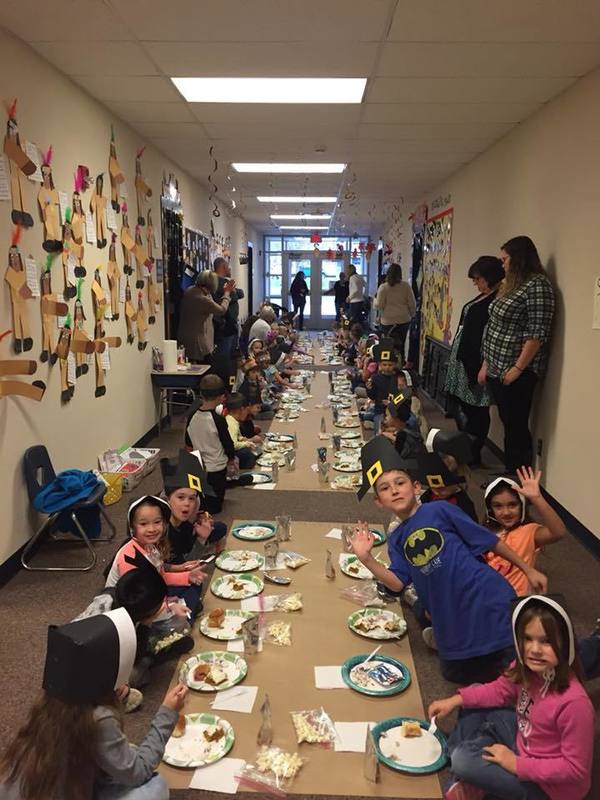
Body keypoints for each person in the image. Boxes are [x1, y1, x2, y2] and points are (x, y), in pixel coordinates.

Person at [351, 436, 548, 684]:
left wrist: (527, 569)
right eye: (385, 488)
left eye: (400, 482)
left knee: (515, 668)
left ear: (416, 487)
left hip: (485, 597)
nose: (394, 489)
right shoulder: (396, 538)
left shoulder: (439, 509)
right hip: (449, 614)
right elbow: (398, 583)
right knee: (456, 674)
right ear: (379, 502)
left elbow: (488, 541)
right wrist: (366, 558)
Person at [0, 607, 188, 800]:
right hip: (69, 790)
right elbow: (138, 772)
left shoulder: (55, 697)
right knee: (155, 787)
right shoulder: (99, 717)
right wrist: (167, 712)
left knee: (129, 753)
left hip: (41, 784)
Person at [431, 595, 594, 800]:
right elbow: (499, 691)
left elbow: (574, 769)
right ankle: (471, 768)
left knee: (463, 760)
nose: (534, 649)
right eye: (527, 638)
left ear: (565, 644)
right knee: (473, 691)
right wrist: (454, 701)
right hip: (526, 741)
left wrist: (516, 764)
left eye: (546, 641)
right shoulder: (526, 669)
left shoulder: (575, 704)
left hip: (548, 788)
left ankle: (465, 771)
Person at [479, 237, 555, 473]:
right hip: (497, 366)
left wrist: (518, 368)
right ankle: (509, 476)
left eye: (505, 259)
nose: (502, 265)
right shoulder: (511, 284)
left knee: (517, 426)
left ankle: (519, 482)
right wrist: (486, 364)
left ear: (519, 259)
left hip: (517, 371)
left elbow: (537, 334)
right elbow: (494, 325)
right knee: (508, 422)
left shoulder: (538, 286)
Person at [444, 256, 505, 465]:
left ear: (490, 277)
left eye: (478, 279)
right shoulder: (483, 297)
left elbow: (490, 335)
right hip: (463, 358)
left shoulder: (498, 299)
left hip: (477, 363)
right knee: (463, 406)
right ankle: (465, 447)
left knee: (477, 410)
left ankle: (473, 452)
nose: (475, 283)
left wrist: (484, 365)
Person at [105, 495, 206, 617]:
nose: (152, 529)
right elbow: (135, 601)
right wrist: (168, 606)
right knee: (186, 607)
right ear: (132, 527)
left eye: (157, 522)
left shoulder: (151, 546)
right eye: (143, 524)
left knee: (194, 586)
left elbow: (161, 577)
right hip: (128, 609)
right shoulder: (129, 558)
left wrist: (188, 577)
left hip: (149, 591)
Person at [484, 468, 566, 596]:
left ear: (521, 505)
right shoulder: (483, 532)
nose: (506, 512)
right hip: (489, 596)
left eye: (512, 505)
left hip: (516, 599)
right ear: (490, 509)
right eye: (498, 506)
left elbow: (558, 532)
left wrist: (537, 499)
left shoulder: (528, 531)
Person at [160, 449, 228, 565]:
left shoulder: (184, 523)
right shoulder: (160, 528)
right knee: (193, 583)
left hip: (184, 535)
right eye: (181, 497)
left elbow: (189, 560)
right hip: (155, 574)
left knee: (220, 527)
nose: (187, 503)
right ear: (167, 499)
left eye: (192, 498)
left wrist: (201, 537)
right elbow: (180, 567)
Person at [186, 374, 235, 513]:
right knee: (216, 506)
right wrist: (231, 458)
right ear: (221, 396)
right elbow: (227, 443)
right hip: (217, 468)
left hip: (199, 467)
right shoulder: (218, 420)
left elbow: (188, 441)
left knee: (205, 499)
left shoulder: (192, 415)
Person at [177, 270, 235, 363]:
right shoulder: (202, 299)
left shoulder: (190, 290)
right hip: (198, 344)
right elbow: (221, 310)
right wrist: (227, 293)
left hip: (184, 340)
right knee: (204, 371)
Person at [375, 263, 416, 363]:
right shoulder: (406, 286)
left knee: (387, 346)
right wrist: (412, 314)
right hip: (403, 319)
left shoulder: (383, 287)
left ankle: (387, 367)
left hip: (387, 321)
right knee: (400, 344)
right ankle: (400, 365)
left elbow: (379, 305)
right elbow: (412, 303)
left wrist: (374, 301)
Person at [212, 256, 244, 359]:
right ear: (224, 267)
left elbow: (240, 293)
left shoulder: (214, 282)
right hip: (226, 326)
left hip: (221, 326)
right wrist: (232, 291)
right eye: (228, 266)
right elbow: (236, 295)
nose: (229, 268)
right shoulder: (221, 282)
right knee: (225, 357)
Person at [366, 338, 399, 434]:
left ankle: (368, 417)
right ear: (380, 364)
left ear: (395, 365)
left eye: (390, 365)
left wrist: (392, 404)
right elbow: (373, 396)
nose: (387, 367)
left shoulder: (398, 378)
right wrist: (369, 389)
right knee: (379, 430)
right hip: (380, 410)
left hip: (394, 412)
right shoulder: (376, 378)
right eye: (384, 364)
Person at [225, 392, 262, 469]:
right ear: (241, 409)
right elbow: (233, 444)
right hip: (229, 453)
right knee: (248, 454)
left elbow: (237, 436)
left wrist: (243, 439)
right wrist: (246, 444)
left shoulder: (232, 420)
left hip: (233, 448)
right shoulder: (232, 424)